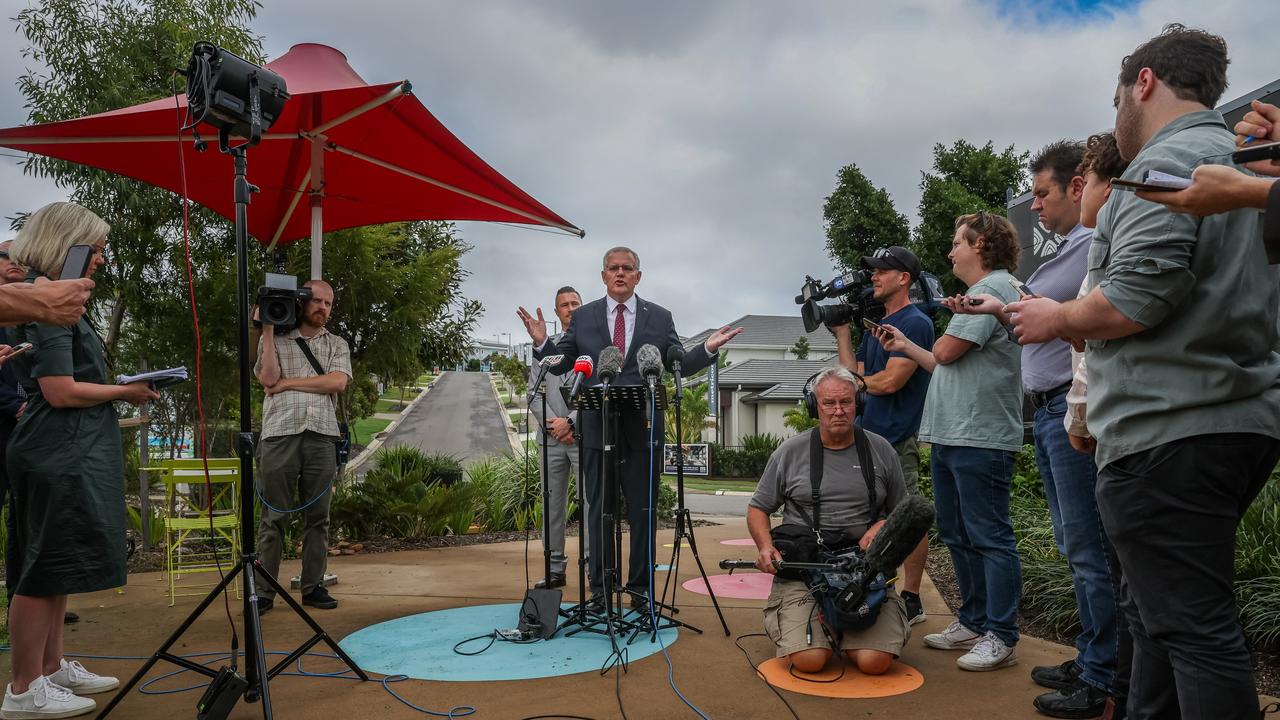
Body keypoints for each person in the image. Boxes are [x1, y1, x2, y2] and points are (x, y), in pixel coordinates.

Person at [1007, 25, 1280, 720]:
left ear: (1146, 82)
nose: (1116, 115)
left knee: (1194, 633)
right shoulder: (1250, 162)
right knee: (1165, 624)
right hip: (1238, 418)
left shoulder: (1163, 166)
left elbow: (1135, 298)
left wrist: (1055, 319)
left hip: (1169, 429)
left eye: (1117, 94)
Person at [951, 141, 1124, 717]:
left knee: (1088, 547)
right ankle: (1095, 655)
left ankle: (1103, 676)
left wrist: (1004, 305)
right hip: (1050, 408)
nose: (1039, 206)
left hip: (1067, 409)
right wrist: (1001, 310)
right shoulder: (1071, 249)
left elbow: (1059, 313)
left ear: (1082, 185)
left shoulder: (1090, 246)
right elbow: (1042, 312)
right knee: (1077, 543)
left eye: (1044, 193)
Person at [2, 202, 159, 719]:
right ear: (64, 245)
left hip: (70, 443)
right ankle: (24, 687)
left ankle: (51, 665)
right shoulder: (43, 302)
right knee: (42, 564)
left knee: (59, 559)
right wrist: (125, 390)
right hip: (56, 444)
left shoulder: (56, 298)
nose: (99, 259)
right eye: (93, 250)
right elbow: (60, 389)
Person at [518, 247, 740, 610]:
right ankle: (602, 593)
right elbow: (564, 365)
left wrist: (707, 350)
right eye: (613, 268)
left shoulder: (660, 316)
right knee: (598, 511)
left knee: (642, 511)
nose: (620, 273)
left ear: (639, 275)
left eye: (627, 268)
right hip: (596, 424)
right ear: (603, 276)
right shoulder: (585, 317)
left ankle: (639, 592)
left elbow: (675, 360)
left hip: (643, 425)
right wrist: (543, 343)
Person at [879, 212, 1024, 672]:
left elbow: (946, 351)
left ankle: (1000, 633)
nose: (950, 252)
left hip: (980, 436)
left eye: (957, 242)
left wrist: (937, 330)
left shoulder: (995, 288)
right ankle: (974, 620)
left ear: (980, 244)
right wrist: (905, 345)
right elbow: (941, 362)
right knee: (960, 535)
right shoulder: (977, 297)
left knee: (989, 536)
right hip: (954, 434)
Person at [746, 366, 912, 675]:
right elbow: (758, 508)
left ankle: (848, 630)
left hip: (864, 573)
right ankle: (818, 628)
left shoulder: (882, 450)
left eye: (846, 402)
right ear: (814, 407)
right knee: (810, 662)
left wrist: (882, 525)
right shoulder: (789, 452)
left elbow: (904, 512)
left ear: (858, 403)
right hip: (806, 574)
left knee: (874, 663)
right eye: (828, 403)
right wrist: (765, 546)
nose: (838, 411)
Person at [832, 245, 933, 626]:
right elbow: (852, 375)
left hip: (896, 438)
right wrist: (843, 331)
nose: (873, 276)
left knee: (906, 517)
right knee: (870, 516)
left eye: (881, 271)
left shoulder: (915, 322)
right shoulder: (876, 326)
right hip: (865, 437)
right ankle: (876, 586)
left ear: (903, 278)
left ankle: (911, 597)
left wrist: (854, 383)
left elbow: (889, 382)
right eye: (872, 270)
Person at [254, 279, 352, 615]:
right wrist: (266, 329)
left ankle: (313, 587)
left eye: (328, 303)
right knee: (273, 517)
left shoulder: (337, 344)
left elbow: (337, 382)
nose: (322, 307)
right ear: (300, 302)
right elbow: (267, 379)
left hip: (322, 435)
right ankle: (264, 592)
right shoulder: (277, 341)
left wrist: (288, 384)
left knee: (318, 517)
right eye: (316, 301)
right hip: (280, 433)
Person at [527, 286, 583, 589]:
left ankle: (593, 569)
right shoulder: (543, 347)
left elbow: (598, 390)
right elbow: (532, 393)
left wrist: (571, 422)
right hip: (551, 440)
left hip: (583, 436)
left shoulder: (593, 343)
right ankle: (555, 569)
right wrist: (554, 426)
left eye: (575, 303)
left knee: (590, 504)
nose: (570, 308)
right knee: (552, 505)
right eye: (564, 304)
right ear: (556, 311)